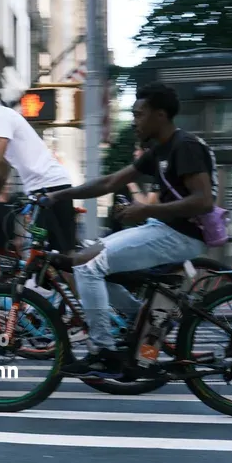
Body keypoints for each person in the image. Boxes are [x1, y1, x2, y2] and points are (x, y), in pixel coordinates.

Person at [39, 83, 218, 378]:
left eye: (139, 114)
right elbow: (109, 182)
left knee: (88, 268)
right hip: (163, 229)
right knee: (84, 261)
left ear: (160, 115)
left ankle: (102, 352)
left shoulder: (184, 146)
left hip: (182, 237)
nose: (134, 120)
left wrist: (146, 210)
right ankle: (143, 319)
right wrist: (59, 195)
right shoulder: (158, 150)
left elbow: (203, 201)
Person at [0, 75, 78, 255]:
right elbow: (2, 169)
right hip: (43, 191)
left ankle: (77, 281)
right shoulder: (0, 118)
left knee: (59, 256)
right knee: (41, 252)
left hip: (51, 190)